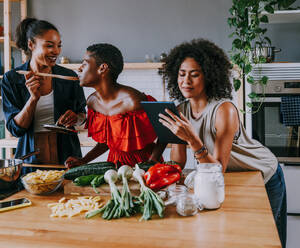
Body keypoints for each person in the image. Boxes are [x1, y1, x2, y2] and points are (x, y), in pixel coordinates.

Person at [158, 39, 287, 247]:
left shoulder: (224, 110)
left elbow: (218, 168)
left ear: (208, 76)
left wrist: (192, 139)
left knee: (265, 239)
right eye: (182, 74)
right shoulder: (181, 110)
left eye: (195, 74)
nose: (185, 81)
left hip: (260, 174)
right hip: (232, 180)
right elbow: (177, 164)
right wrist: (163, 182)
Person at [1, 18, 86, 171]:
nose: (57, 51)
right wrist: (33, 99)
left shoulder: (69, 77)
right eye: (49, 45)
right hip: (30, 155)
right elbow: (15, 129)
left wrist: (76, 117)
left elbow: (82, 116)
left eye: (59, 45)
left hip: (68, 156)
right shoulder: (12, 79)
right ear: (31, 44)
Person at [65, 43, 164, 168]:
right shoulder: (92, 102)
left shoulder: (134, 100)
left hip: (144, 163)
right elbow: (108, 142)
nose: (79, 69)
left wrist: (153, 160)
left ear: (102, 68)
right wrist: (83, 160)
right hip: (114, 164)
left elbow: (165, 131)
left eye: (84, 64)